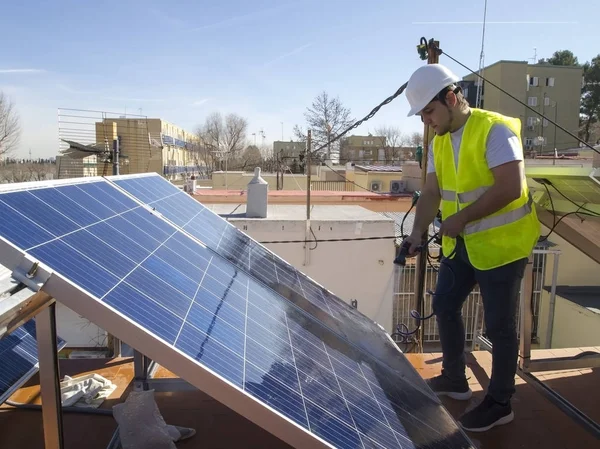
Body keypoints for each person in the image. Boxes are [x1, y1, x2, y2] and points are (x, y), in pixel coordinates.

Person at [403, 63, 540, 432]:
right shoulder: (439, 141)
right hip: (462, 245)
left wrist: (461, 220)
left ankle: (499, 402)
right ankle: (455, 380)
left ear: (451, 98)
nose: (428, 121)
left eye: (430, 112)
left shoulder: (494, 130)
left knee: (499, 326)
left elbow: (511, 187)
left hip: (502, 245)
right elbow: (432, 192)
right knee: (445, 303)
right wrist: (416, 234)